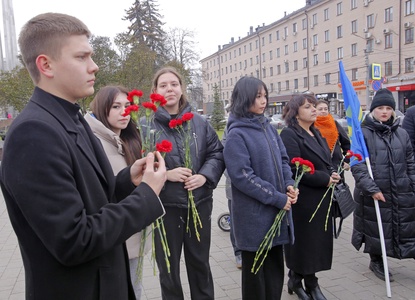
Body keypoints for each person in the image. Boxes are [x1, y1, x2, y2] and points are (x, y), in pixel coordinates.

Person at [0, 13, 166, 300]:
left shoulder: (71, 117)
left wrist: (130, 180)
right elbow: (74, 239)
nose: (95, 66)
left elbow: (93, 197)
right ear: (46, 64)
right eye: (82, 57)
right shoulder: (33, 133)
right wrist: (148, 196)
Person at [150, 66, 225, 300]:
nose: (169, 89)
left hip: (199, 204)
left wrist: (204, 176)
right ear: (155, 91)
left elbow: (217, 153)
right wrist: (165, 174)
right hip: (165, 208)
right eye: (163, 85)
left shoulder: (200, 123)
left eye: (174, 84)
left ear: (181, 88)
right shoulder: (146, 126)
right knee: (168, 269)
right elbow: (137, 161)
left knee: (200, 264)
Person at [223, 76, 298, 299]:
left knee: (275, 273)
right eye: (258, 97)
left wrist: (289, 184)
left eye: (265, 95)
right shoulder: (237, 133)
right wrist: (276, 197)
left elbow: (284, 160)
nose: (263, 101)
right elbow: (243, 176)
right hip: (254, 219)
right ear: (244, 98)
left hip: (276, 213)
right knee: (256, 280)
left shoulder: (268, 127)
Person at [85, 85, 148, 299]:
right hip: (112, 235)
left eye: (128, 106)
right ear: (103, 108)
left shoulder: (129, 139)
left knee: (135, 288)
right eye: (116, 106)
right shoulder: (93, 142)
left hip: (132, 230)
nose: (124, 112)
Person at [280, 94, 340, 300]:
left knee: (315, 245)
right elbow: (294, 169)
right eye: (308, 107)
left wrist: (332, 172)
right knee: (305, 245)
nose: (314, 110)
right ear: (295, 113)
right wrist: (324, 178)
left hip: (321, 200)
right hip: (303, 201)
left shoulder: (316, 132)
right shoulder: (290, 135)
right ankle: (310, 285)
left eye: (314, 106)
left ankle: (295, 280)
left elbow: (325, 159)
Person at [351, 88, 415, 282]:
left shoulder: (401, 133)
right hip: (375, 191)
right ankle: (376, 260)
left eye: (388, 108)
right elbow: (357, 164)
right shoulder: (362, 133)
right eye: (380, 108)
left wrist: (412, 183)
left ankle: (404, 253)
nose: (384, 111)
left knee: (403, 226)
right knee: (376, 229)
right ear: (373, 110)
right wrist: (371, 188)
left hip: (402, 190)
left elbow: (410, 160)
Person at [221, 128, 242, 269]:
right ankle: (239, 253)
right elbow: (223, 158)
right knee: (236, 221)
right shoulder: (230, 129)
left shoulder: (264, 126)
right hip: (235, 186)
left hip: (259, 186)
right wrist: (236, 177)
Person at [314, 99, 351, 177]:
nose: (323, 111)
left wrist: (347, 160)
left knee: (339, 187)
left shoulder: (334, 124)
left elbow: (346, 144)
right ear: (315, 110)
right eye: (320, 109)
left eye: (326, 109)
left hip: (336, 164)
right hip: (319, 166)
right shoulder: (311, 125)